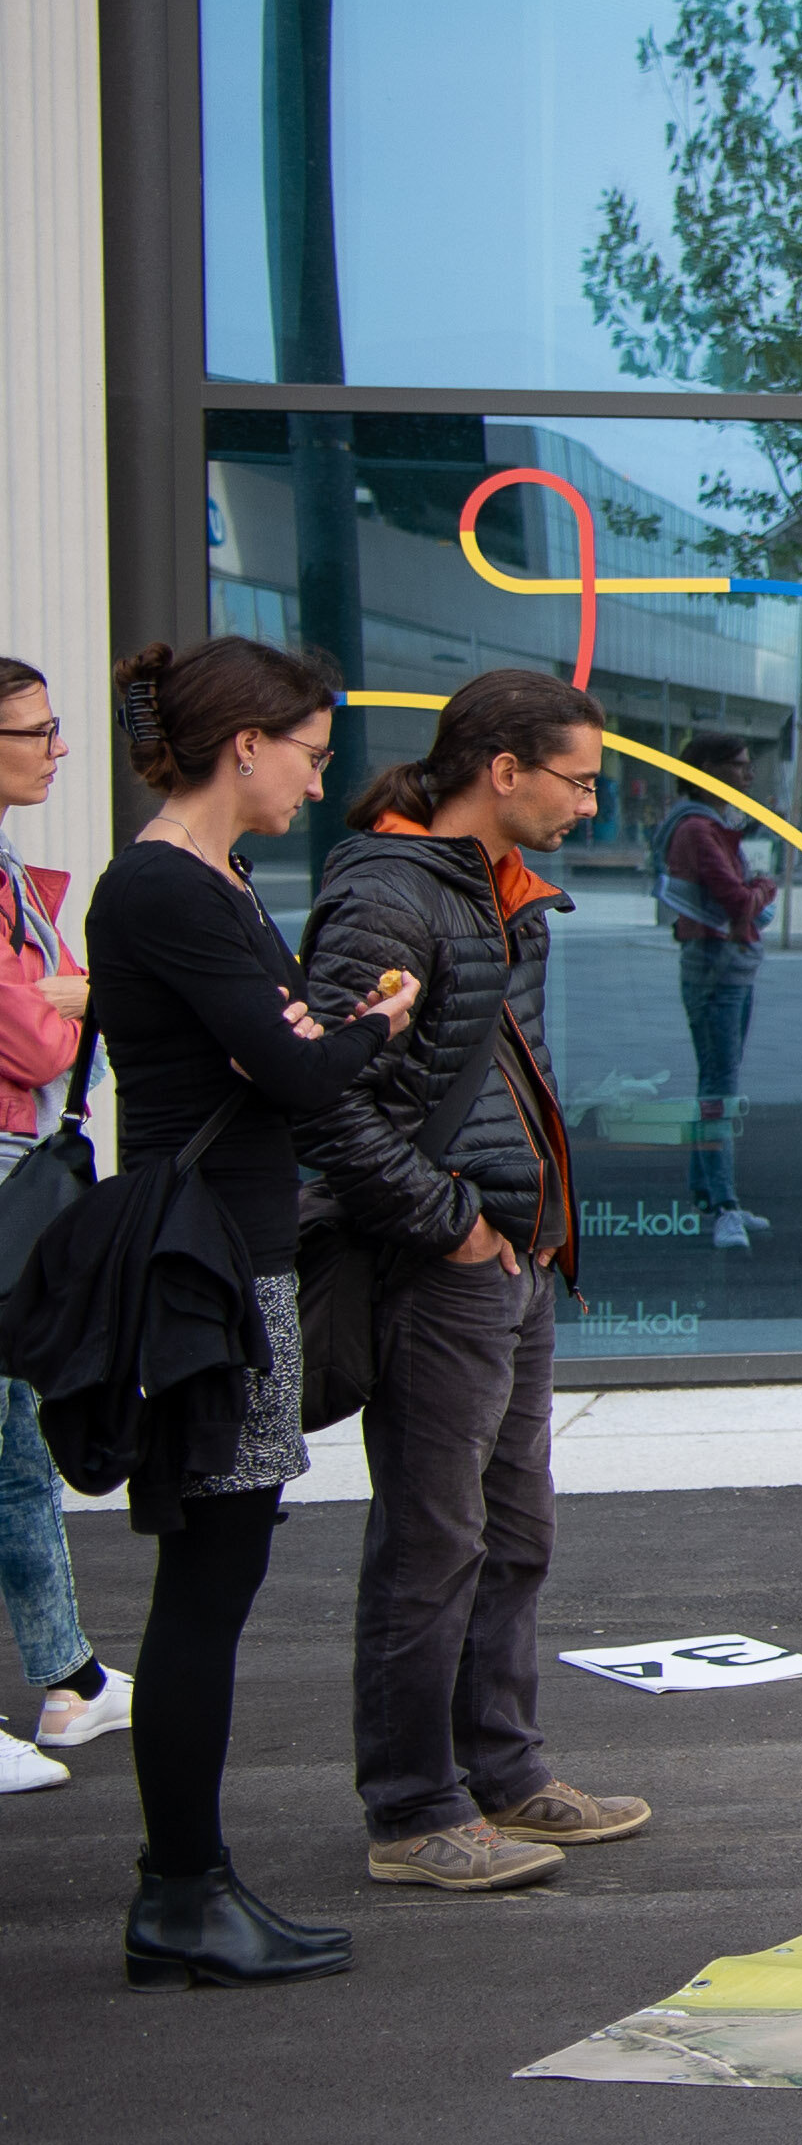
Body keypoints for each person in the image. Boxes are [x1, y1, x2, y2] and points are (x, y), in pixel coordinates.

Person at [84, 639, 419, 1984]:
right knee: (208, 1580)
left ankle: (191, 1884)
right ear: (245, 746)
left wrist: (321, 1031)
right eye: (309, 753)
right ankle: (179, 1887)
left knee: (223, 1567)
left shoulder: (199, 879)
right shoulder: (166, 884)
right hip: (206, 1266)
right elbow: (290, 1063)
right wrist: (369, 1030)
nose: (314, 779)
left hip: (233, 1252)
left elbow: (278, 1036)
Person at [301, 670, 647, 1894]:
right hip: (447, 1262)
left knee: (513, 1531)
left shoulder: (503, 896)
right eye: (579, 779)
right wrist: (453, 1225)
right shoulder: (391, 895)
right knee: (434, 1536)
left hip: (512, 1253)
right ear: (502, 769)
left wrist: (522, 1233)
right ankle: (412, 1806)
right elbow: (330, 1096)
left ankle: (500, 1771)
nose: (589, 807)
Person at [0, 655, 125, 1792]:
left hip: (19, 1166)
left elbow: (60, 1004)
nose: (57, 748)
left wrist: (65, 994)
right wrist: (67, 996)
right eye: (34, 731)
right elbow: (41, 1040)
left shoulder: (10, 871)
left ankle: (70, 1679)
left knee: (16, 1447)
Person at [655, 731, 776, 1251]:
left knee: (716, 1083)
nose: (748, 776)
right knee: (719, 1091)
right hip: (717, 970)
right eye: (740, 766)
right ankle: (723, 1204)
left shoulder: (707, 826)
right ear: (708, 769)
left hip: (725, 969)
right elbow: (738, 902)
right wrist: (766, 886)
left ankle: (710, 1193)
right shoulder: (699, 830)